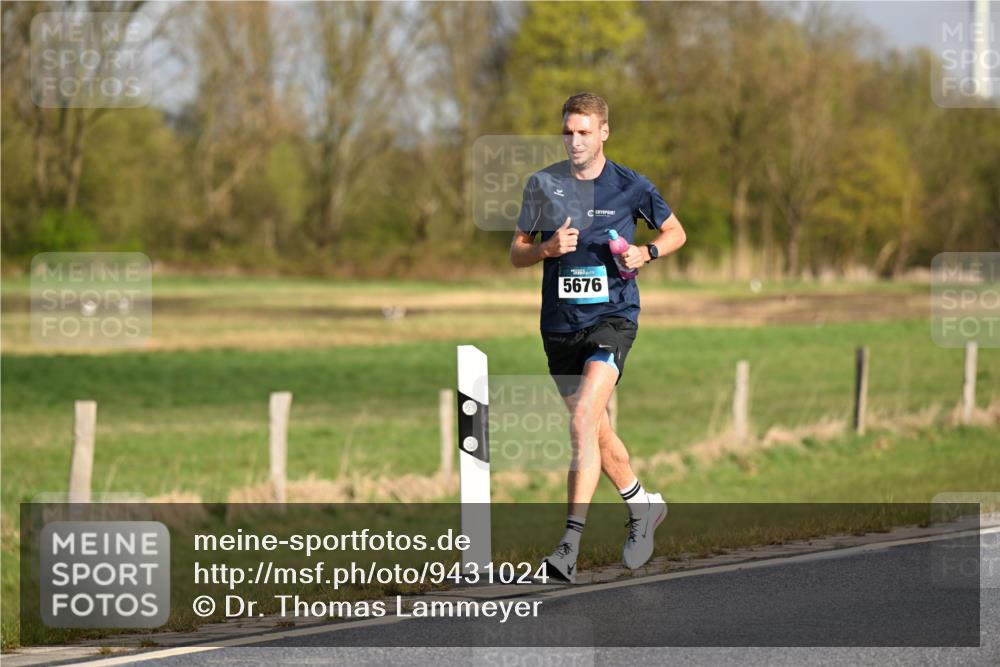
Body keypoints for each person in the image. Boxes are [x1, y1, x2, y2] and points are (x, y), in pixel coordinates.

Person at [509, 92, 687, 583]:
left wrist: (646, 253)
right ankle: (642, 505)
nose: (575, 140)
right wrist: (546, 248)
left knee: (585, 416)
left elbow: (676, 232)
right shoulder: (542, 185)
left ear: (604, 132)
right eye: (568, 131)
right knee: (596, 432)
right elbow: (516, 253)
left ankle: (567, 545)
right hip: (560, 326)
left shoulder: (631, 186)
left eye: (584, 131)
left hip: (613, 319)